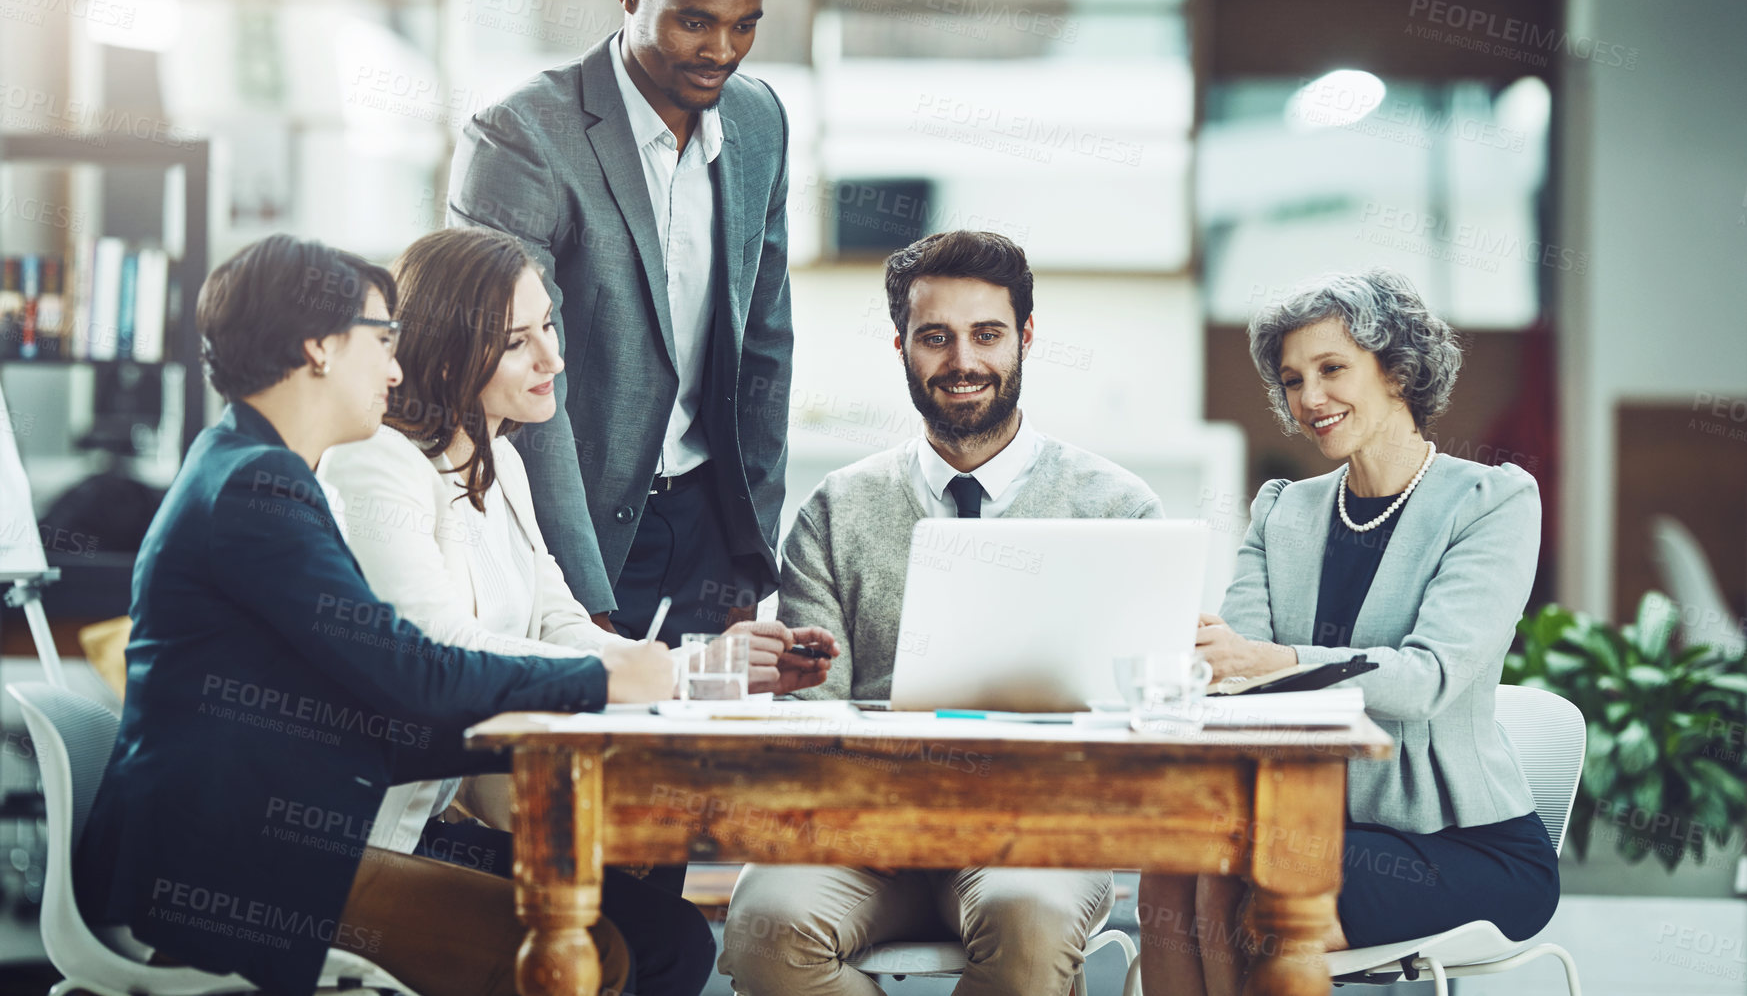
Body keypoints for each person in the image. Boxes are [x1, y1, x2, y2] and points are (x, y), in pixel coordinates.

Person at [73, 235, 673, 996]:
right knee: (597, 949)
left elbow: (380, 683)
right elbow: (408, 671)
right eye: (382, 341)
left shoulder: (253, 467)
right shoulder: (258, 488)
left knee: (641, 925)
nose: (396, 367)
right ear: (320, 347)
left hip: (256, 845)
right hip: (231, 872)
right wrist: (599, 680)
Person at [317, 227, 838, 996]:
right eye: (517, 342)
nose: (553, 359)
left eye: (548, 328)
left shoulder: (503, 468)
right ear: (448, 351)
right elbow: (441, 646)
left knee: (672, 935)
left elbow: (561, 626)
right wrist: (641, 674)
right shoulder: (380, 463)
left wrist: (710, 665)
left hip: (441, 823)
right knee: (637, 945)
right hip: (367, 839)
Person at [718, 230, 1163, 996]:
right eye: (935, 337)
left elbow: (1138, 730)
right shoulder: (837, 509)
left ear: (1024, 338)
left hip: (1035, 837)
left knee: (1030, 914)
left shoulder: (1118, 509)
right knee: (766, 923)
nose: (962, 361)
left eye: (986, 334)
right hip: (861, 832)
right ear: (901, 347)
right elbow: (815, 714)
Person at [1136, 269, 1559, 996]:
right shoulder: (1282, 509)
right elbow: (1239, 672)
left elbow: (1425, 678)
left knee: (1258, 895)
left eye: (1332, 368)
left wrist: (1277, 659)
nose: (1309, 398)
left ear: (1395, 369)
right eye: (1294, 379)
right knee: (1173, 870)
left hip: (1462, 847)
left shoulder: (1492, 500)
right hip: (1310, 820)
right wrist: (1201, 655)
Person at [447, 0, 792, 645]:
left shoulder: (759, 122)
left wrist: (750, 553)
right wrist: (576, 590)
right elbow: (517, 375)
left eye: (744, 25)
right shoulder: (522, 140)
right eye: (695, 21)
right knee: (578, 758)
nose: (722, 50)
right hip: (578, 520)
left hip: (712, 521)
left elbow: (764, 345)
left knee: (702, 760)